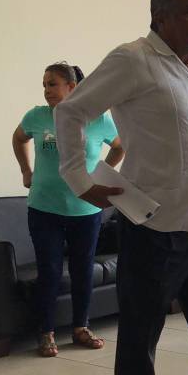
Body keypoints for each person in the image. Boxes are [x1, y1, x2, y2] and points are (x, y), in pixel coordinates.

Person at [54, 0, 188, 374]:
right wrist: (79, 180)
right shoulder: (133, 59)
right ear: (160, 17)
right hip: (154, 230)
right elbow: (71, 111)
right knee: (139, 344)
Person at [12, 62, 124, 357]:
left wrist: (100, 175)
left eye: (52, 84)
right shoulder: (37, 116)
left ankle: (80, 328)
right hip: (43, 208)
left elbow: (119, 146)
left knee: (82, 270)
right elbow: (18, 138)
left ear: (72, 87)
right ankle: (46, 332)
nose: (46, 90)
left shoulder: (98, 119)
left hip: (85, 210)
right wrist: (25, 170)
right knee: (49, 270)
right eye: (44, 85)